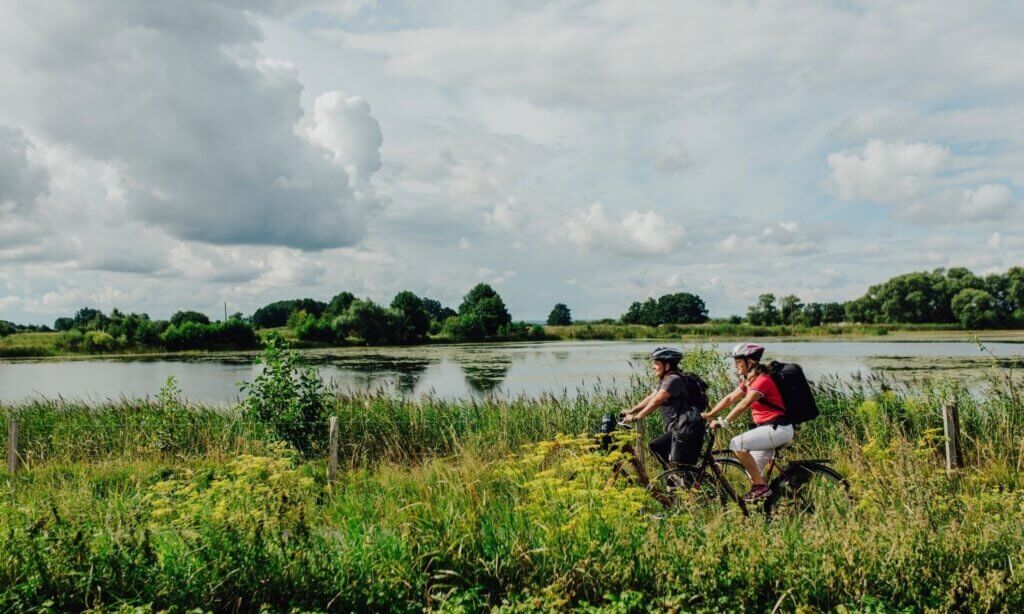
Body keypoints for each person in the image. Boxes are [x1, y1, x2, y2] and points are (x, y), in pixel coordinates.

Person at [703, 342, 793, 501]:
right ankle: (769, 503)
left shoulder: (763, 380)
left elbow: (744, 403)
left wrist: (724, 421)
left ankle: (761, 488)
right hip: (768, 430)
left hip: (778, 428)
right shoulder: (749, 381)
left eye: (738, 361)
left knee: (737, 443)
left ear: (750, 362)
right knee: (752, 471)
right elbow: (730, 398)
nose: (735, 365)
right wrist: (709, 414)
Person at [622, 347, 707, 468]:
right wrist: (632, 410)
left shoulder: (673, 380)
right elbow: (651, 398)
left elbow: (657, 401)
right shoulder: (666, 380)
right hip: (680, 428)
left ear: (667, 366)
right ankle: (674, 476)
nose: (652, 366)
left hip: (685, 428)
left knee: (655, 447)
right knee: (668, 456)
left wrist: (636, 417)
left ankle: (675, 476)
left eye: (656, 363)